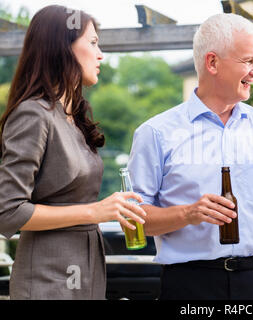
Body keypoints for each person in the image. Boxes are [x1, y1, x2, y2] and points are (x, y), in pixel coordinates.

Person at [127, 13, 253, 300]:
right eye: (248, 61)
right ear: (212, 62)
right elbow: (135, 221)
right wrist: (188, 214)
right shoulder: (155, 132)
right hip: (187, 284)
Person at [0, 5, 147, 300]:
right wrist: (95, 211)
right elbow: (7, 211)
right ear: (62, 48)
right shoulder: (33, 114)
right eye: (92, 43)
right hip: (46, 279)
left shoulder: (73, 117)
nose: (101, 54)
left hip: (87, 271)